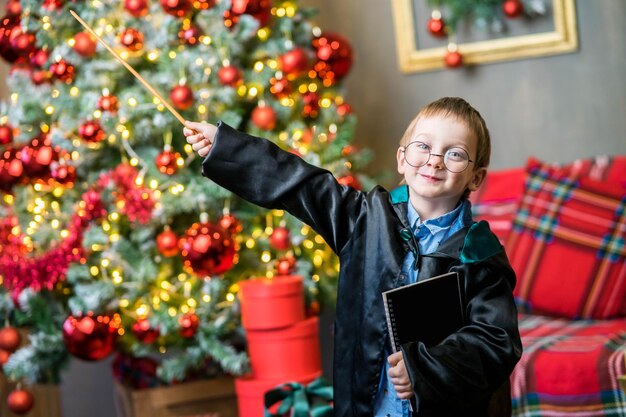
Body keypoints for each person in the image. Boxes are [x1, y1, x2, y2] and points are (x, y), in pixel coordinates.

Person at [183, 97, 522, 417]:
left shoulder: (480, 256)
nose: (434, 160)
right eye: (424, 146)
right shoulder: (364, 219)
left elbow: (495, 343)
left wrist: (424, 368)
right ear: (402, 159)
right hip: (366, 403)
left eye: (455, 154)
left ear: (476, 176)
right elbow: (302, 185)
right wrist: (226, 147)